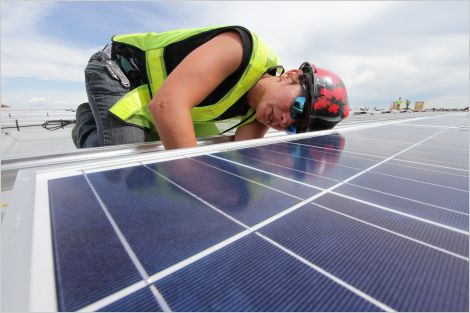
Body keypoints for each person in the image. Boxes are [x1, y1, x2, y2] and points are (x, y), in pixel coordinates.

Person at [72, 25, 349, 150]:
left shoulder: (262, 112)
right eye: (298, 107)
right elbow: (167, 107)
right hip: (119, 68)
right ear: (289, 76)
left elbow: (243, 154)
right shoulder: (240, 49)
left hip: (156, 96)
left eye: (292, 126)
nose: (285, 120)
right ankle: (86, 122)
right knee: (122, 163)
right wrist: (194, 187)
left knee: (157, 152)